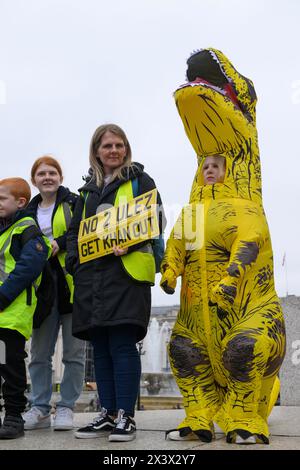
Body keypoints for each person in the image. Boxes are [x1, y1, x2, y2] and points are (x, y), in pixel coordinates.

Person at [160, 48, 286, 445]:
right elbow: (181, 242)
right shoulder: (195, 208)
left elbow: (249, 242)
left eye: (215, 166)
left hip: (245, 310)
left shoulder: (246, 205)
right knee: (182, 350)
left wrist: (231, 278)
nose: (209, 169)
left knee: (246, 347)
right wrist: (169, 268)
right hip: (198, 319)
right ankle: (198, 416)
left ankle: (246, 416)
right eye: (206, 166)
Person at [66, 123, 165, 442]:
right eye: (107, 146)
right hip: (91, 278)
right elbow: (74, 233)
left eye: (119, 145)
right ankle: (108, 413)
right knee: (101, 346)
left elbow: (156, 219)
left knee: (122, 344)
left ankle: (126, 415)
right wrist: (74, 264)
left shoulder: (141, 180)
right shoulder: (86, 190)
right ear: (96, 151)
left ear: (126, 149)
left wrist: (132, 242)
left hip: (126, 274)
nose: (114, 151)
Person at [23, 156, 86, 431]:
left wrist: (59, 243)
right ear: (34, 180)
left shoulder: (74, 202)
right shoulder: (26, 212)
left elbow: (84, 232)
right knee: (39, 354)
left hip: (71, 287)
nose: (47, 177)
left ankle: (66, 407)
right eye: (41, 174)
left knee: (73, 353)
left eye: (52, 173)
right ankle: (39, 407)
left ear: (60, 177)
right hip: (42, 291)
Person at [0, 178, 49, 439]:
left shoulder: (26, 228)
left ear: (20, 202)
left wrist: (3, 297)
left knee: (10, 367)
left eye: (1, 199)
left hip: (11, 312)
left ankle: (14, 418)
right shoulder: (3, 230)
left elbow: (29, 266)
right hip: (2, 313)